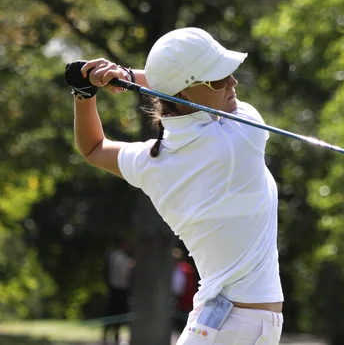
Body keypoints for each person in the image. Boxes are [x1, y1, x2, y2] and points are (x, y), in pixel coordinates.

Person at [65, 27, 284, 345]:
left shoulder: (152, 162)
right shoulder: (243, 135)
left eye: (229, 73)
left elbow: (93, 148)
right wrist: (128, 76)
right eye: (219, 79)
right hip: (239, 327)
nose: (233, 83)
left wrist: (84, 95)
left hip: (219, 322)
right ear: (182, 93)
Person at [103, 240, 135, 345]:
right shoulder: (118, 256)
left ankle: (113, 336)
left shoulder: (115, 255)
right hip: (117, 289)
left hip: (119, 289)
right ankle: (107, 337)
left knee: (117, 313)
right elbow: (125, 271)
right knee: (113, 312)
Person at [172, 247, 199, 332]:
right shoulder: (187, 268)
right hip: (187, 300)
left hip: (184, 301)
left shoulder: (184, 269)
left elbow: (179, 288)